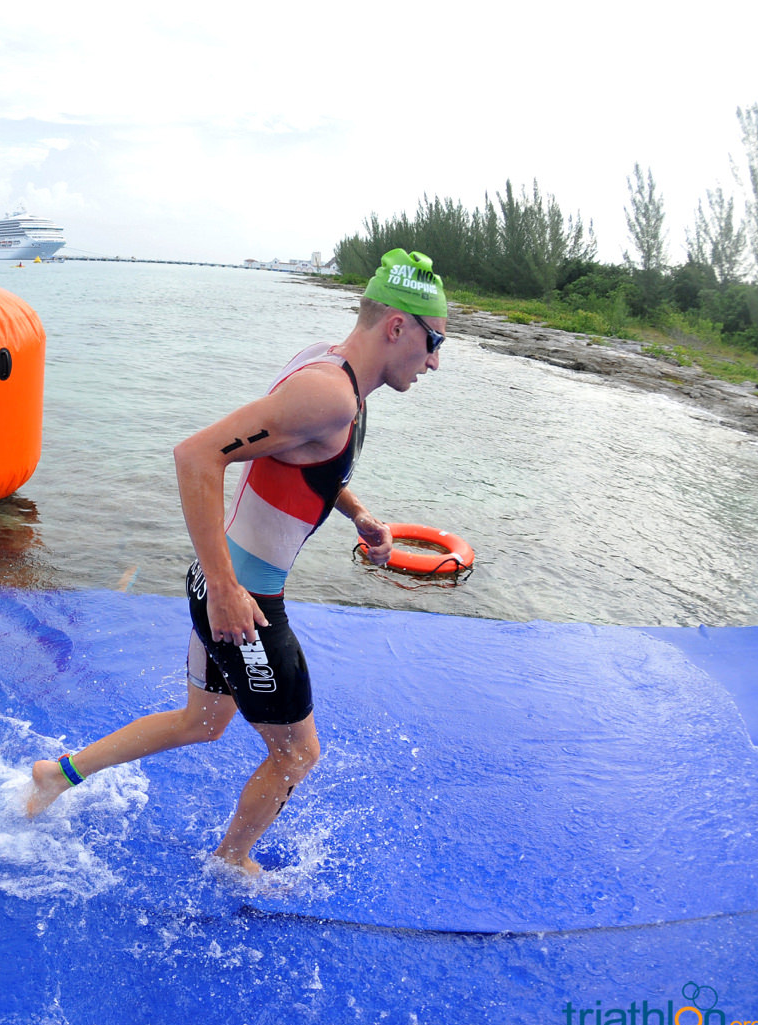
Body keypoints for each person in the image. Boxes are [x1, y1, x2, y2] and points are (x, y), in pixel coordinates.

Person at [27, 249, 449, 873]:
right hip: (243, 605)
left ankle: (56, 775)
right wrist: (226, 589)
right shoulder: (330, 396)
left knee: (202, 721)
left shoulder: (324, 367)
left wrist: (355, 512)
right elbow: (196, 455)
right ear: (398, 327)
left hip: (219, 587)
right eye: (434, 340)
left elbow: (297, 458)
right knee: (298, 755)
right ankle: (233, 861)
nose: (436, 360)